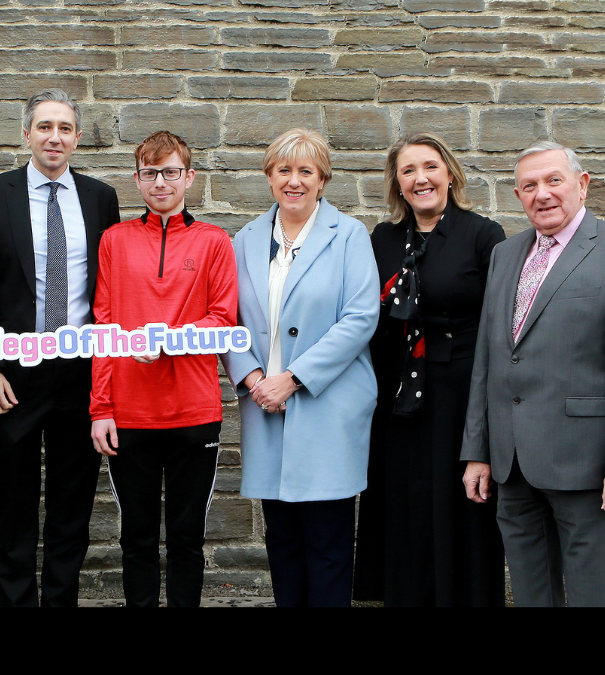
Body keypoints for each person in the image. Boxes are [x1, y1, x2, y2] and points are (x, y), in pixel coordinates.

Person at [0, 88, 120, 607]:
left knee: (70, 511)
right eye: (45, 126)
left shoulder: (101, 198)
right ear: (27, 133)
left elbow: (107, 288)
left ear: (77, 138)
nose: (55, 136)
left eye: (65, 128)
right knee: (14, 511)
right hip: (13, 376)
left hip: (79, 373)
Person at [220, 128, 379, 608]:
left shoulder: (348, 234)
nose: (294, 181)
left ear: (322, 180)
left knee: (328, 541)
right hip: (265, 408)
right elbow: (228, 319)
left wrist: (292, 379)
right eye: (284, 170)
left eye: (305, 171)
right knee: (283, 540)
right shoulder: (244, 239)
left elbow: (360, 317)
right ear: (269, 177)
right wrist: (252, 379)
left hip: (326, 405)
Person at [352, 132, 506, 607]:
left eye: (430, 167)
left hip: (460, 395)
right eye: (408, 171)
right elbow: (362, 317)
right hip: (396, 400)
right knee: (404, 507)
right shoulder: (382, 239)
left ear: (450, 174)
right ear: (397, 184)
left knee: (461, 508)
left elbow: (497, 329)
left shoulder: (483, 235)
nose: (420, 178)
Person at [89, 131, 238, 607]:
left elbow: (222, 319)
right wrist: (100, 408)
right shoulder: (115, 240)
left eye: (171, 172)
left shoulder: (214, 242)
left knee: (186, 539)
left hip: (194, 414)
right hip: (130, 414)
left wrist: (168, 341)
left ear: (189, 178)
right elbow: (104, 326)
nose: (161, 182)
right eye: (150, 173)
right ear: (137, 180)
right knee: (136, 539)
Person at [461, 141, 605, 607]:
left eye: (553, 180)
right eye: (529, 185)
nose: (541, 194)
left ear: (582, 185)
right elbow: (488, 357)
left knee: (591, 589)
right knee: (530, 588)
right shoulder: (506, 254)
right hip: (512, 461)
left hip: (584, 460)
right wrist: (477, 452)